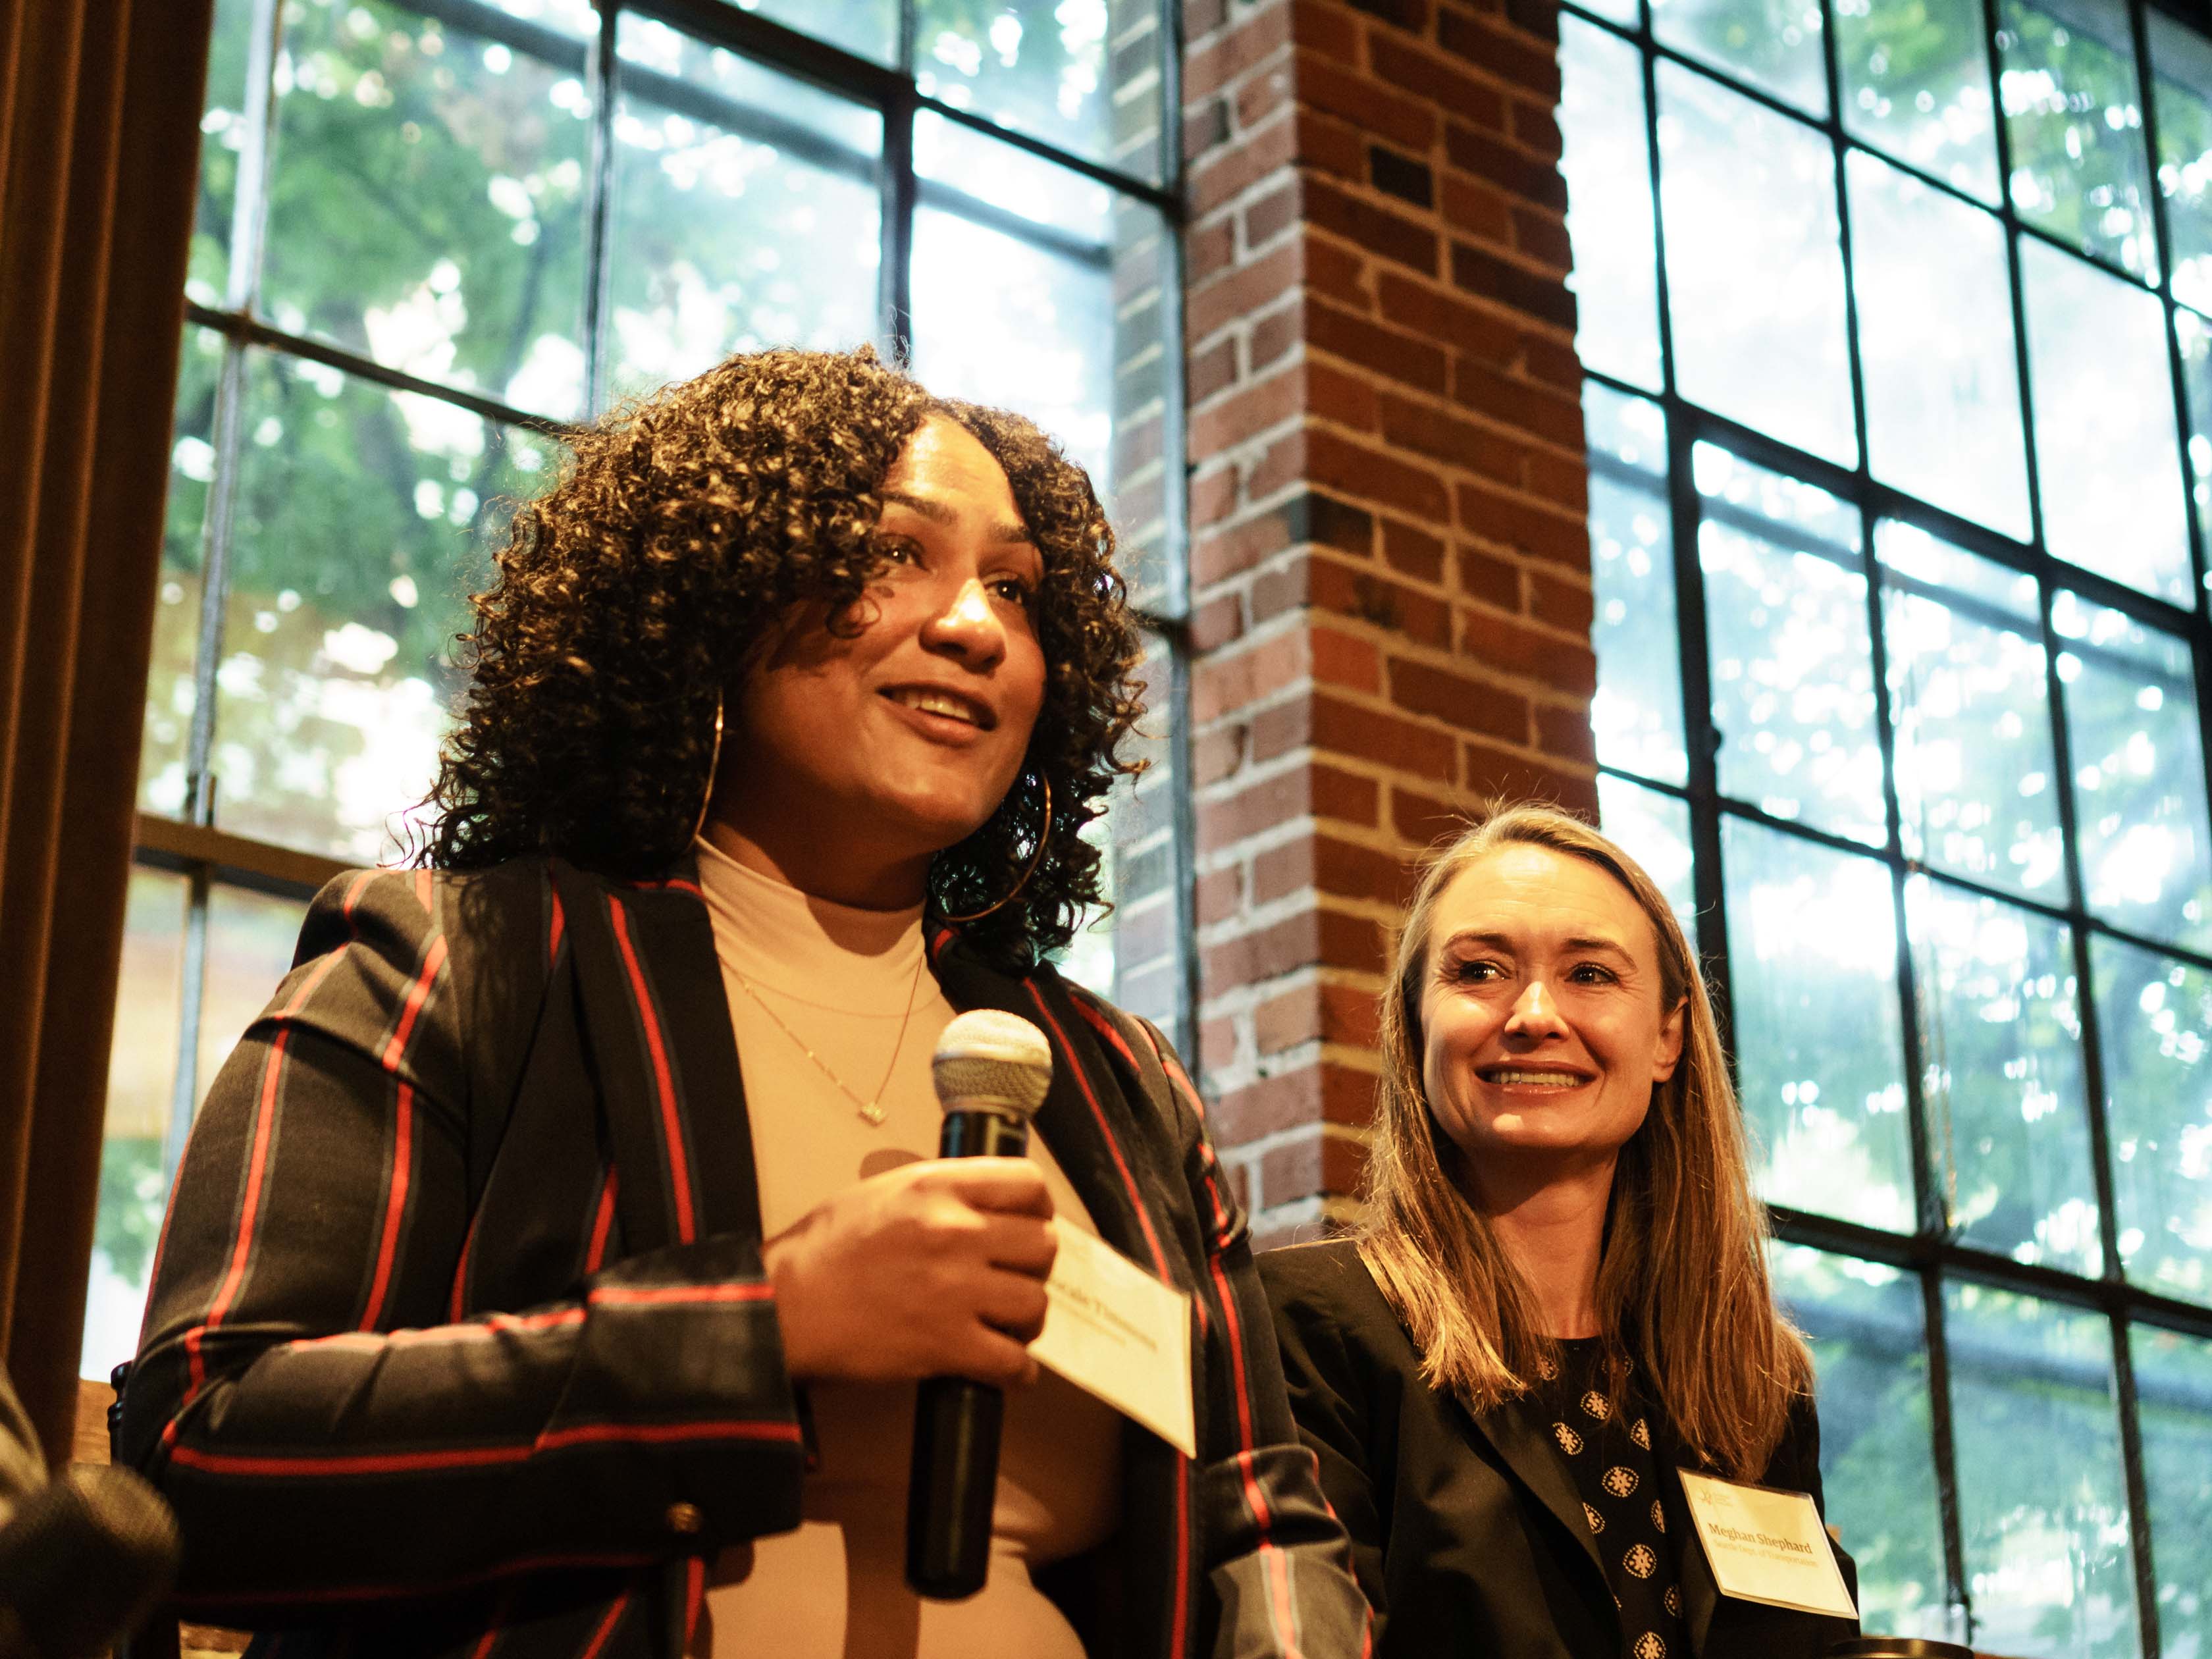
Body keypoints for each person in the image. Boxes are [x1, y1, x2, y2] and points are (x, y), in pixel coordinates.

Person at [118, 348, 1367, 1659]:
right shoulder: (454, 959)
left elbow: (1256, 1524)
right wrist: (770, 1325)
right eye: (894, 554)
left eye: (1014, 588)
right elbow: (203, 1456)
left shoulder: (1120, 1087)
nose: (977, 627)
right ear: (708, 602)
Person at [1258, 805, 1858, 1659]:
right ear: (1417, 1025)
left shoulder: (1752, 1383)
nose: (1535, 1012)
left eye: (1590, 975)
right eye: (1480, 970)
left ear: (1667, 1036)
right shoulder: (1307, 1327)